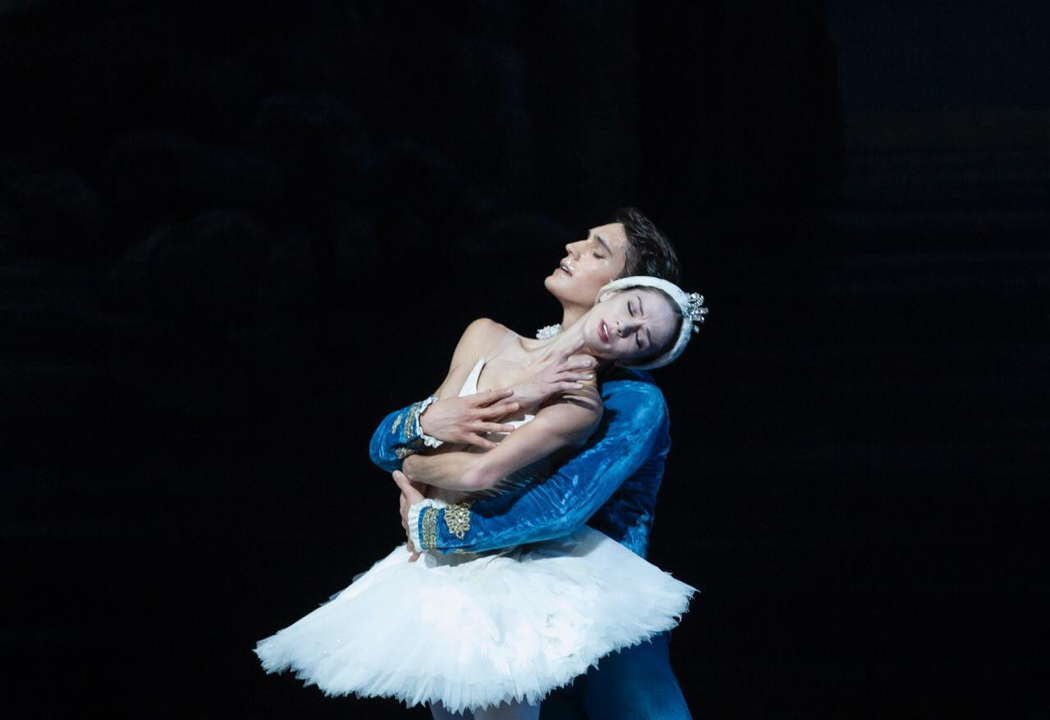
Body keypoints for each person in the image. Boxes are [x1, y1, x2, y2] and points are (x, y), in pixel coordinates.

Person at [381, 209, 701, 719]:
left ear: (617, 286)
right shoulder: (499, 339)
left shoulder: (626, 399)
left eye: (598, 251)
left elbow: (552, 510)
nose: (574, 246)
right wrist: (422, 427)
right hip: (484, 574)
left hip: (588, 597)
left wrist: (433, 517)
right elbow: (388, 443)